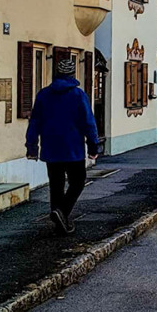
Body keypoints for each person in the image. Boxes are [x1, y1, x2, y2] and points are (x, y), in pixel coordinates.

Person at [26, 57, 100, 235]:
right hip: (73, 148)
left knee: (56, 185)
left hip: (51, 148)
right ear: (72, 74)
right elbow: (88, 123)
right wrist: (93, 147)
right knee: (78, 182)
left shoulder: (43, 94)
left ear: (56, 73)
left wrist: (32, 147)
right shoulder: (78, 95)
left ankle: (59, 218)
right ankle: (62, 212)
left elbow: (34, 122)